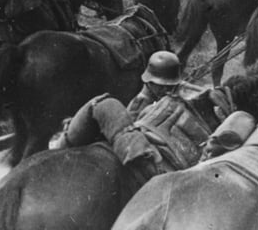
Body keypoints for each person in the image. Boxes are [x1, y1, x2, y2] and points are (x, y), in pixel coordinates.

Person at [52, 51, 209, 186]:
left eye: (169, 85)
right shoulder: (141, 101)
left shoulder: (156, 94)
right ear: (149, 82)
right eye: (161, 85)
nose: (165, 88)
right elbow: (131, 124)